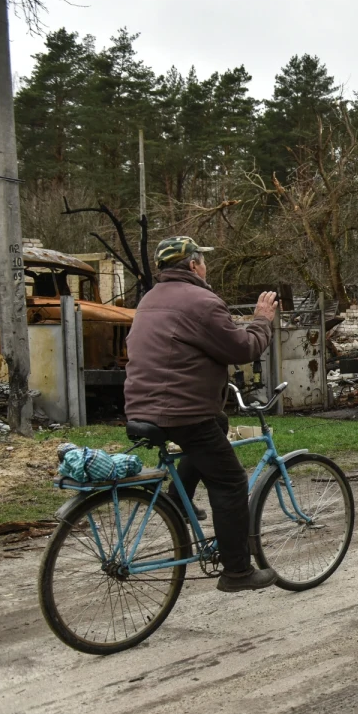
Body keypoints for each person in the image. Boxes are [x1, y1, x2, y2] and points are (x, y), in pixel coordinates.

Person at [123, 236, 280, 592]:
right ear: (194, 265)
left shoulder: (148, 301)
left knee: (218, 424)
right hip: (181, 412)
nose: (206, 267)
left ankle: (178, 502)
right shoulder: (200, 301)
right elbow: (242, 349)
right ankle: (237, 572)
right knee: (231, 481)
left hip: (142, 406)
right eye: (203, 261)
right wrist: (261, 320)